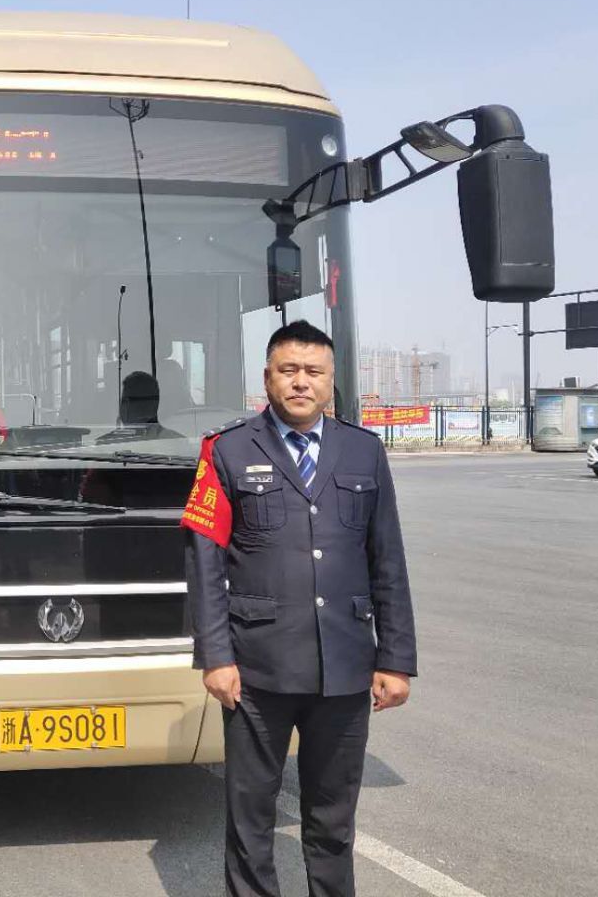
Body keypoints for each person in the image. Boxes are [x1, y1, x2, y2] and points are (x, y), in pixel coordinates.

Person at [182, 319, 417, 897]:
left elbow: (387, 558)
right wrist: (216, 657)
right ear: (267, 378)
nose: (300, 382)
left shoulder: (364, 451)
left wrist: (395, 659)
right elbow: (204, 562)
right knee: (251, 816)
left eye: (313, 371)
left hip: (344, 666)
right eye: (288, 370)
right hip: (257, 669)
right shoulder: (227, 450)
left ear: (331, 381)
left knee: (333, 819)